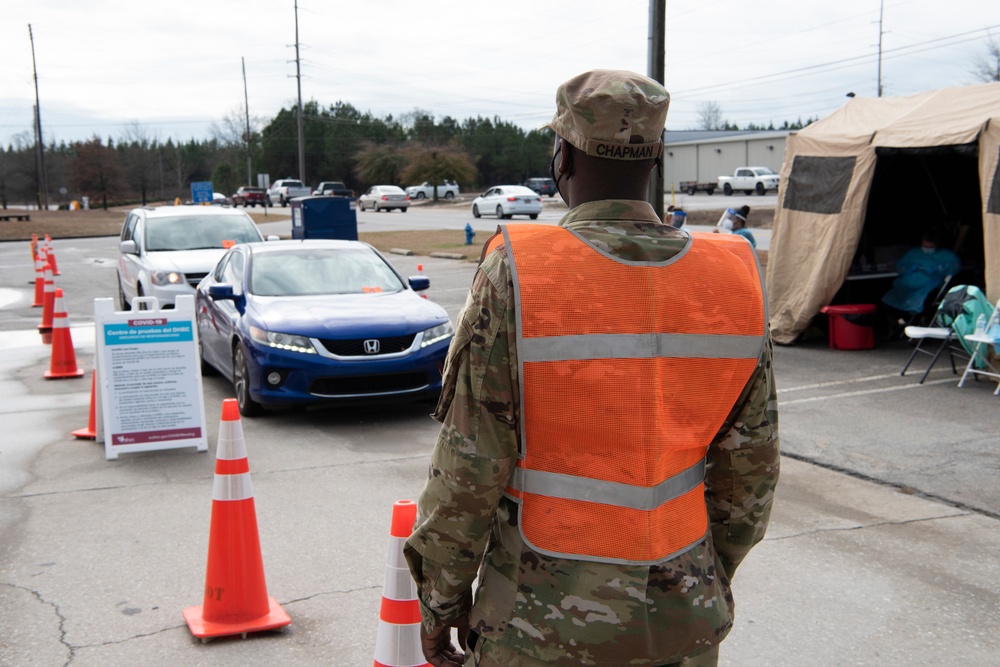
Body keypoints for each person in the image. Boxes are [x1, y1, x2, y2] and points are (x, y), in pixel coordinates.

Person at [404, 69, 780, 667]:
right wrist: (703, 579)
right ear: (654, 157)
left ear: (562, 155)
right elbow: (750, 475)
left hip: (538, 627)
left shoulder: (521, 274)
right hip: (681, 621)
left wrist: (440, 599)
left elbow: (470, 465)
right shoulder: (732, 278)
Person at [881, 230, 961, 315]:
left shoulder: (946, 255)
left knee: (916, 303)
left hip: (927, 288)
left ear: (936, 245)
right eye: (924, 245)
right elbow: (899, 266)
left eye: (930, 247)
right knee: (891, 300)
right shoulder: (914, 252)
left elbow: (955, 268)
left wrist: (938, 268)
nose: (926, 248)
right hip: (905, 285)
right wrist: (910, 268)